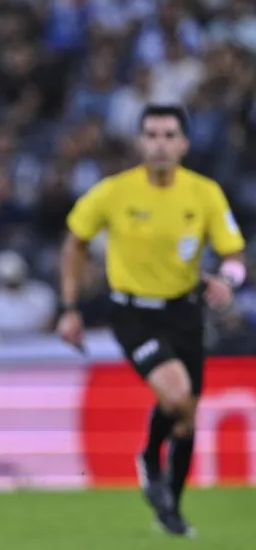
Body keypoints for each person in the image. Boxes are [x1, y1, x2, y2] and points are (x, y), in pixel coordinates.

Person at [58, 104, 245, 536]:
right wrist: (70, 307)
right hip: (133, 313)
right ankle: (147, 458)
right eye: (152, 135)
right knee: (177, 394)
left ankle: (172, 511)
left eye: (168, 135)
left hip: (185, 310)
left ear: (184, 143)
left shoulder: (204, 193)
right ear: (141, 142)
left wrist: (227, 281)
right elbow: (75, 242)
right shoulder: (115, 192)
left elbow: (234, 255)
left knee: (186, 416)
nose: (159, 144)